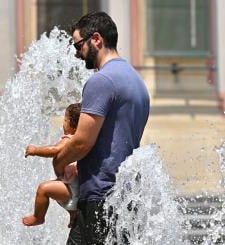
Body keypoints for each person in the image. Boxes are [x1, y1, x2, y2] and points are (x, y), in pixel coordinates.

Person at [53, 12, 150, 244]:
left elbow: (82, 142)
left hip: (100, 199)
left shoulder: (102, 81)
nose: (76, 53)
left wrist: (58, 161)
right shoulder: (137, 82)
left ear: (96, 39)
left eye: (78, 45)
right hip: (126, 200)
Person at [23, 103, 81, 227]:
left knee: (43, 189)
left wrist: (35, 150)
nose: (63, 123)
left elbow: (54, 150)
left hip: (71, 187)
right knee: (54, 187)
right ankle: (73, 214)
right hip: (72, 184)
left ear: (73, 125)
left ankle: (38, 217)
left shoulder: (68, 139)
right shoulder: (77, 140)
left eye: (65, 120)